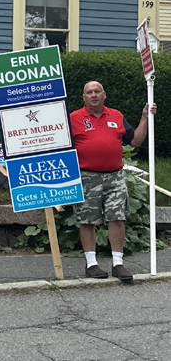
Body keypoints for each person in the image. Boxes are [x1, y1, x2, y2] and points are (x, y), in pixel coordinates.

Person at [70, 81, 156, 281]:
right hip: (86, 176)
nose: (93, 95)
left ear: (104, 94)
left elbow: (135, 141)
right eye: (89, 92)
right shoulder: (74, 118)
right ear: (84, 97)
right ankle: (91, 264)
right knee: (87, 219)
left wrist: (145, 118)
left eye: (97, 91)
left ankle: (118, 263)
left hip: (115, 175)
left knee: (117, 217)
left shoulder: (116, 116)